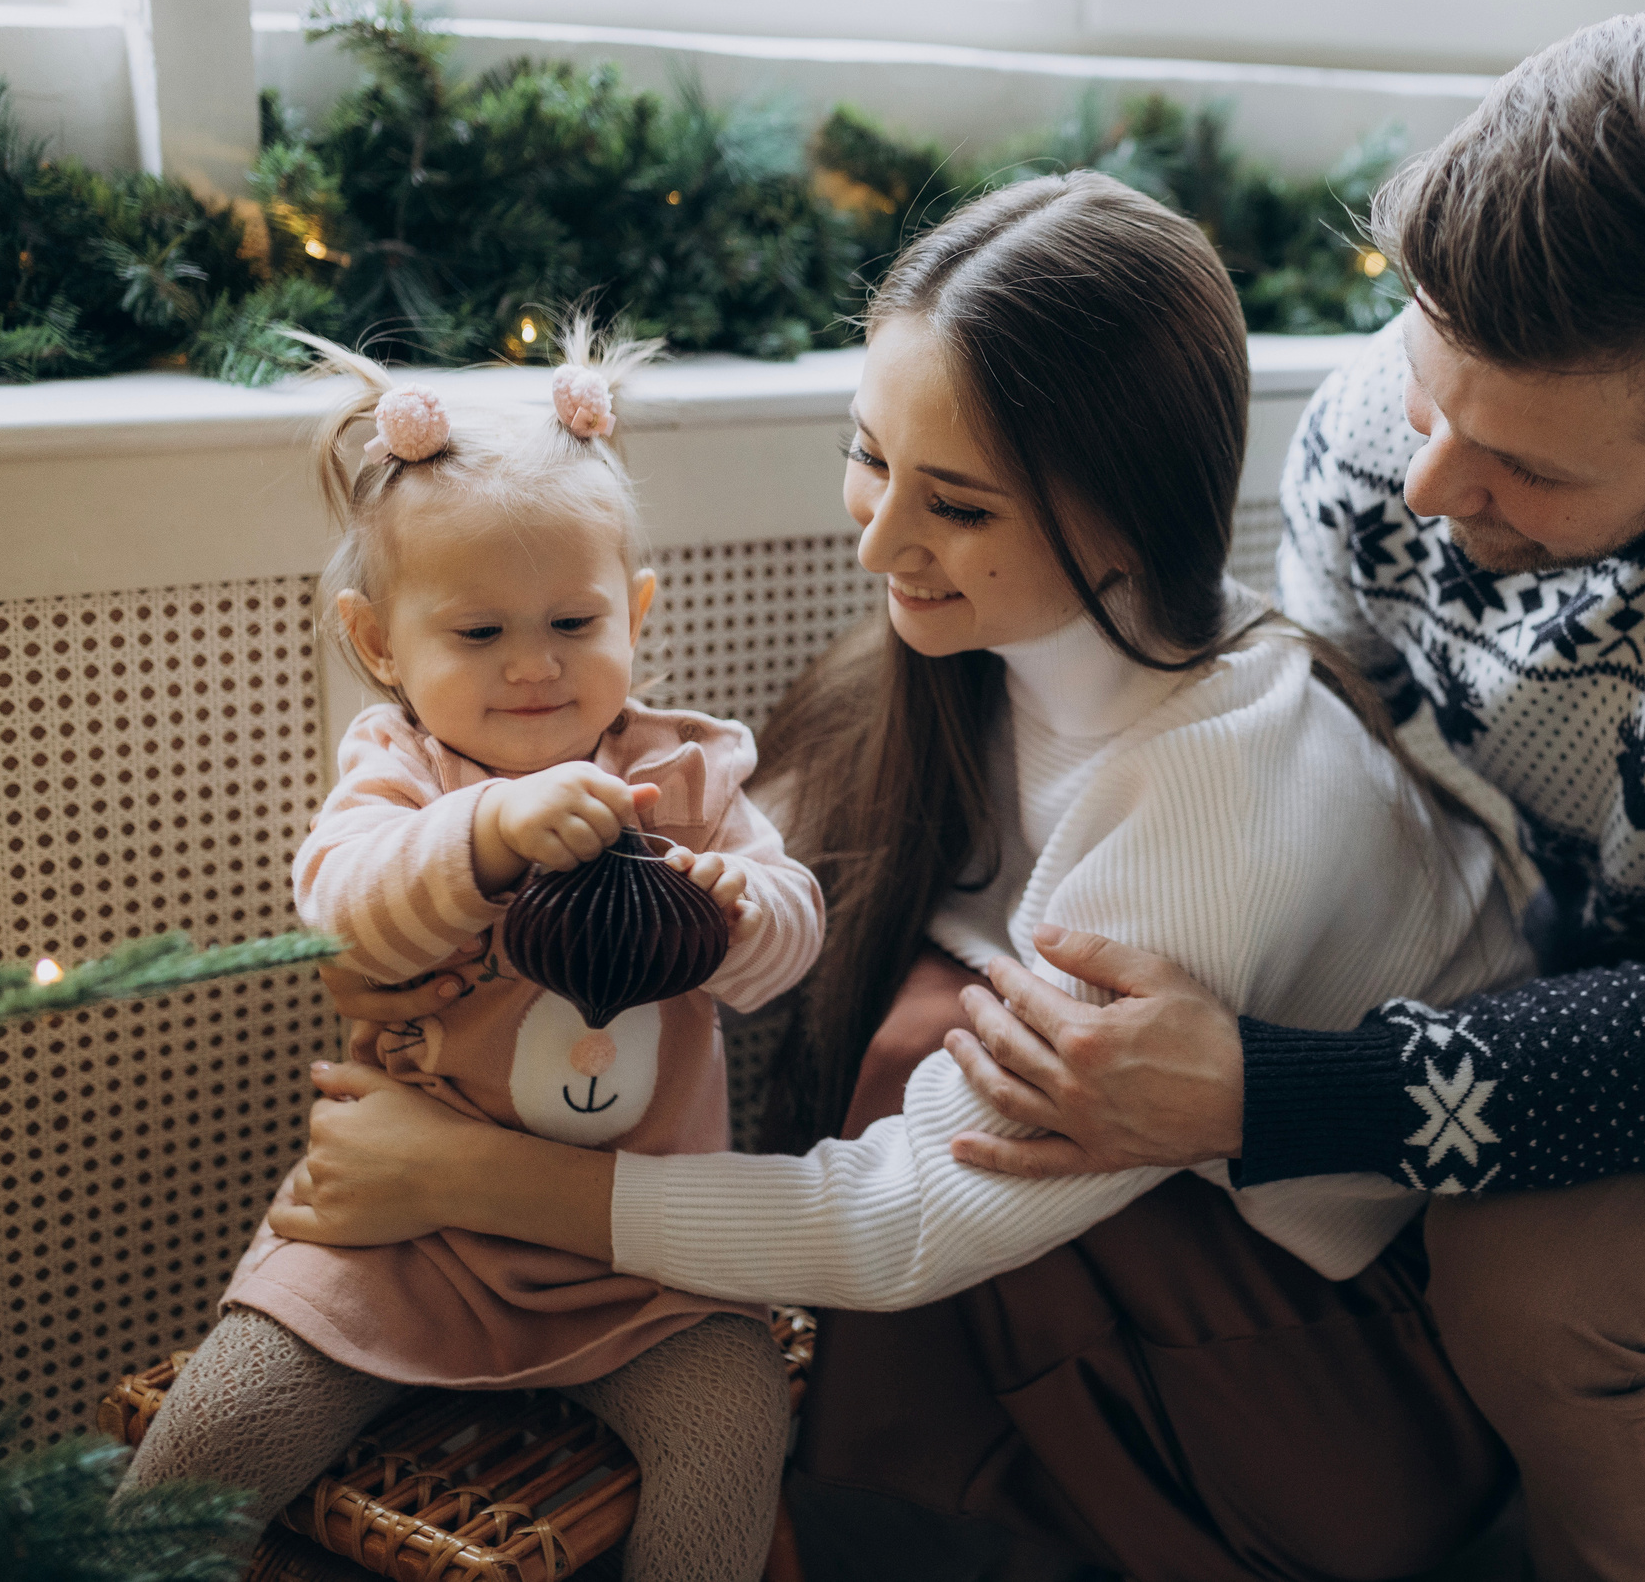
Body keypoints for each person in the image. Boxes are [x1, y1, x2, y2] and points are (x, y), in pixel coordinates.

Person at [941, 13, 1645, 1580]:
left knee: (1540, 1289)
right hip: (1600, 946)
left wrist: (1268, 1091)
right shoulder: (1416, 406)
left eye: (1529, 473)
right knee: (1442, 1252)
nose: (1429, 489)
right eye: (1429, 398)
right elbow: (1307, 725)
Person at [276, 172, 1542, 1579]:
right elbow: (719, 895)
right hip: (1158, 1297)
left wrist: (470, 1176)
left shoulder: (1218, 780)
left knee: (934, 1046)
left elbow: (902, 1218)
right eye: (868, 456)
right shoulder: (965, 666)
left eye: (956, 504)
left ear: (1128, 515)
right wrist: (433, 918)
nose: (878, 539)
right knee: (917, 1009)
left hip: (1353, 1400)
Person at [120, 324, 825, 1580]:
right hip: (399, 1242)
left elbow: (786, 951)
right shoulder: (403, 773)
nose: (535, 664)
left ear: (637, 611)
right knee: (215, 1437)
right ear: (380, 644)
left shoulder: (683, 774)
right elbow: (342, 912)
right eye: (479, 633)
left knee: (734, 1423)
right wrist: (486, 833)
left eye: (573, 620)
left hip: (639, 1260)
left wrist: (734, 904)